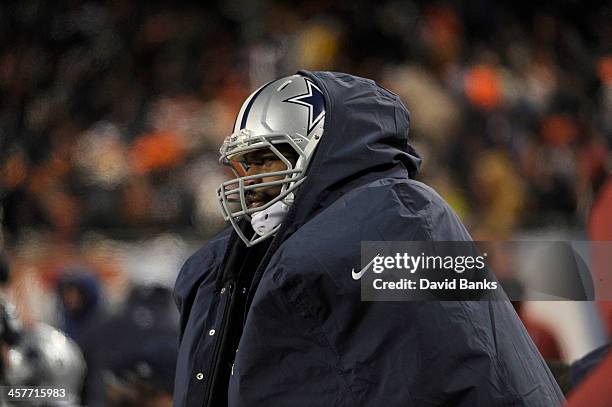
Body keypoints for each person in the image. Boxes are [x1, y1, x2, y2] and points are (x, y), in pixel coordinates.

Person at [174, 71, 565, 406]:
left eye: (267, 159)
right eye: (246, 164)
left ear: (316, 153)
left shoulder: (392, 219)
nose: (251, 181)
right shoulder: (400, 214)